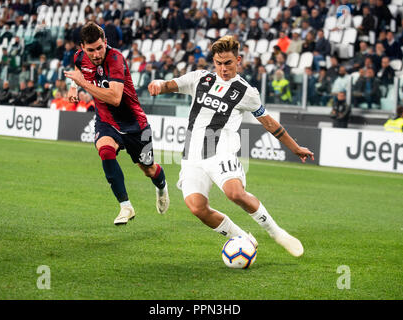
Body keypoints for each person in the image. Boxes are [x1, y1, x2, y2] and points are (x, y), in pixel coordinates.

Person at [147, 36, 314, 257]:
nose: (223, 68)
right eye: (218, 63)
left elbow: (268, 122)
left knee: (235, 193)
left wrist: (294, 147)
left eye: (228, 63)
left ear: (238, 60)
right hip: (192, 155)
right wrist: (158, 83)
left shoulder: (247, 92)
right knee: (197, 207)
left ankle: (277, 233)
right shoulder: (200, 78)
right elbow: (169, 85)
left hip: (220, 150)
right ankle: (242, 239)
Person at [64, 22, 170, 226]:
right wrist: (73, 87)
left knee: (148, 169)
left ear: (105, 42)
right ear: (82, 48)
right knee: (105, 150)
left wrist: (82, 84)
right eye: (91, 50)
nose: (96, 54)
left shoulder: (115, 59)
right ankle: (126, 206)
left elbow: (114, 98)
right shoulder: (78, 56)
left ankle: (161, 186)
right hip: (106, 121)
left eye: (99, 48)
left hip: (134, 124)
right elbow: (78, 70)